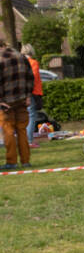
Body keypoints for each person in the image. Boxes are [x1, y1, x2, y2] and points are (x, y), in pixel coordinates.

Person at [0, 42, 34, 170]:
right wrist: (28, 96)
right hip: (22, 99)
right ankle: (25, 161)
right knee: (22, 130)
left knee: (8, 131)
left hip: (6, 101)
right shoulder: (21, 56)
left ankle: (11, 162)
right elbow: (30, 78)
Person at [20, 44, 43, 148]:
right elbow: (32, 79)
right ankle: (28, 141)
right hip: (31, 93)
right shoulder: (33, 63)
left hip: (19, 93)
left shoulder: (19, 63)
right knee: (31, 116)